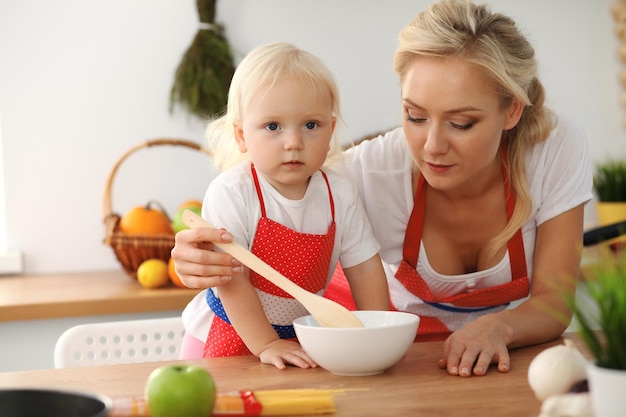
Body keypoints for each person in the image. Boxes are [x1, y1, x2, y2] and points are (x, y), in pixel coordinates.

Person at [173, 0, 592, 377]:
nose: (432, 147)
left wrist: (498, 325)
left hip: (485, 359)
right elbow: (270, 197)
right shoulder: (366, 172)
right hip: (363, 350)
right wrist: (193, 257)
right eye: (414, 116)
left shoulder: (553, 151)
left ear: (512, 110)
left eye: (461, 123)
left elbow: (554, 304)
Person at [177, 42, 391, 370]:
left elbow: (364, 269)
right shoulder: (232, 193)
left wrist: (377, 333)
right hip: (230, 331)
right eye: (273, 127)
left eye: (310, 125)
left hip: (295, 338)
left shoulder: (341, 194)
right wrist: (266, 343)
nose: (294, 142)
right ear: (241, 136)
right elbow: (232, 280)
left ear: (331, 130)